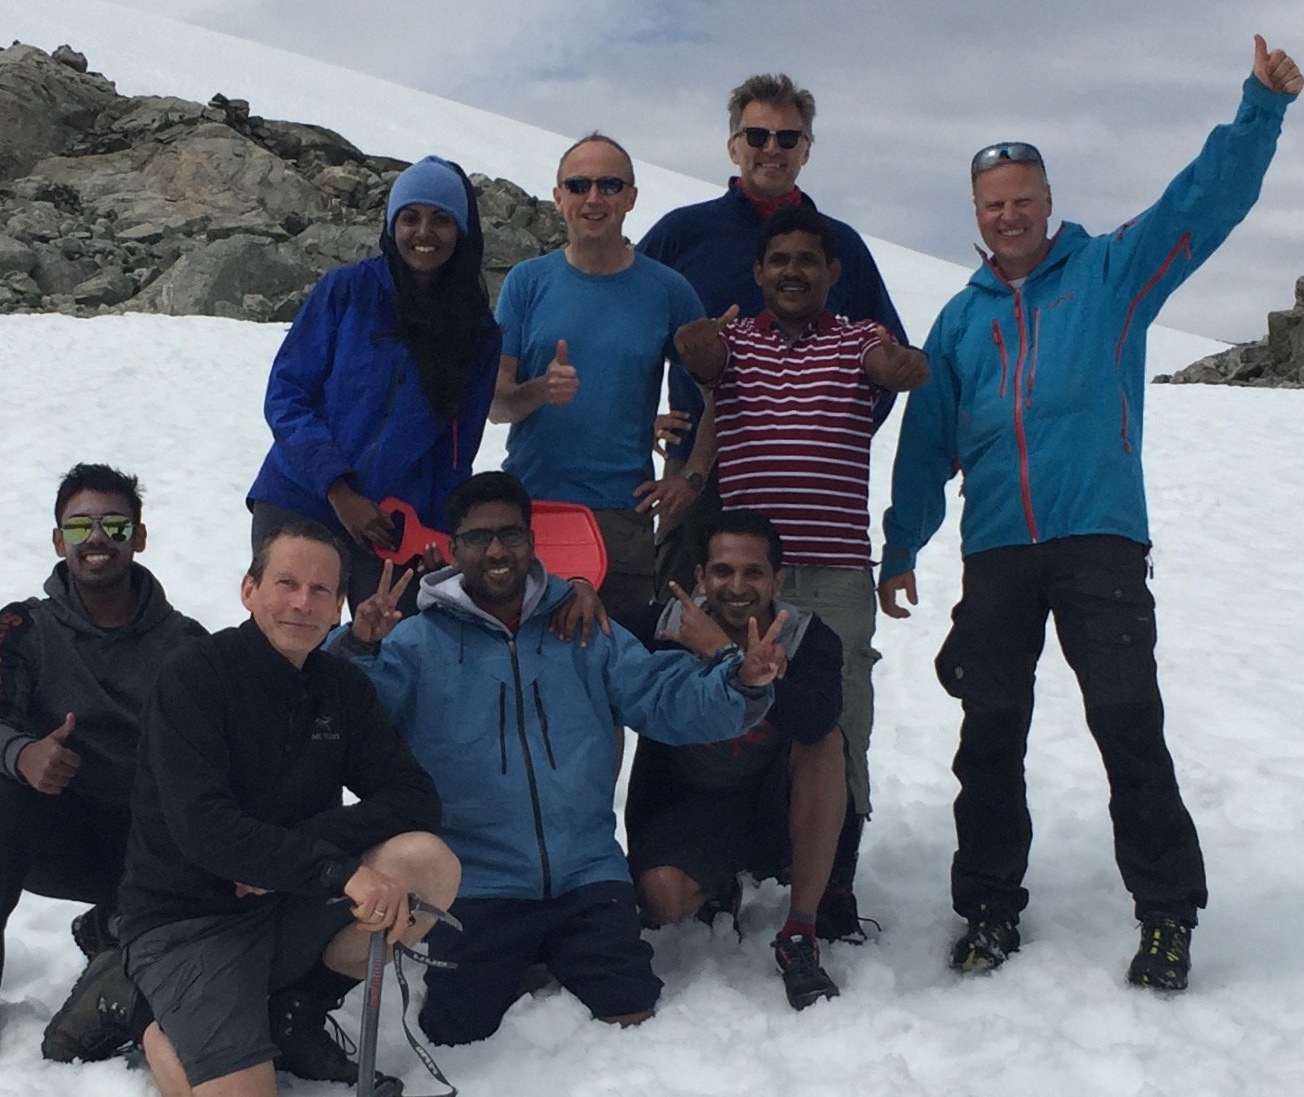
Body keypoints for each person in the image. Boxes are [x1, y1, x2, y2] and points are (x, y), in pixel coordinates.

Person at [878, 36, 1304, 991]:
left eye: (1024, 199)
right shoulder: (959, 319)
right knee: (988, 733)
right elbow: (927, 438)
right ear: (978, 218)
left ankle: (1165, 914)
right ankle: (987, 906)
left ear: (1047, 203)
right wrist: (901, 539)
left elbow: (1203, 202)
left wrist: (1259, 109)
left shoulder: (1110, 273)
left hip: (1098, 541)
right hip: (996, 550)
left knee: (1124, 719)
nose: (1011, 215)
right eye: (994, 205)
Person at [41, 522, 458, 1097]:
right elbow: (204, 828)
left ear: (338, 605)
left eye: (321, 591)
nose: (302, 602)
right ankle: (137, 1006)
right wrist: (335, 869)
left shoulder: (340, 688)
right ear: (248, 589)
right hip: (189, 920)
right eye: (286, 583)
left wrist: (303, 850)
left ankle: (293, 1011)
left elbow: (415, 796)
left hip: (285, 897)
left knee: (425, 864)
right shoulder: (194, 678)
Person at [333, 471, 787, 1045]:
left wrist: (739, 683)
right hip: (476, 883)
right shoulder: (418, 642)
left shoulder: (585, 630)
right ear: (454, 548)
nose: (496, 550)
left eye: (511, 534)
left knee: (631, 1022)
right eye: (477, 538)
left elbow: (665, 698)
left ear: (531, 540)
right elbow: (349, 720)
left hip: (585, 876)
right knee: (458, 1037)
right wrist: (358, 647)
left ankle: (552, 957)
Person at [674, 205, 929, 940]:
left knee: (841, 722)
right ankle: (723, 865)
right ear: (757, 273)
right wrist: (694, 345)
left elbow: (892, 369)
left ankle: (835, 880)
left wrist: (900, 366)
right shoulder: (736, 343)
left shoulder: (858, 340)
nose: (791, 271)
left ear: (832, 273)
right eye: (777, 260)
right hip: (744, 579)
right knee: (733, 712)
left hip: (834, 573)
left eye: (806, 261)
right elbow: (704, 361)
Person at [0, 464, 205, 1053]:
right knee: (6, 798)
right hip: (59, 830)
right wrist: (24, 752)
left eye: (114, 524)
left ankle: (113, 925)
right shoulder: (24, 625)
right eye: (80, 527)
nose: (97, 539)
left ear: (140, 535)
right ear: (59, 540)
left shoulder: (187, 643)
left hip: (155, 845)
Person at [637, 72, 914, 598]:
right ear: (733, 146)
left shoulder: (840, 246)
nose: (771, 149)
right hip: (699, 470)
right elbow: (627, 329)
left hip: (807, 486)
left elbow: (890, 358)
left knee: (806, 633)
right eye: (757, 136)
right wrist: (638, 417)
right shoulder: (683, 233)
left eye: (788, 138)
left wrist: (834, 437)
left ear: (806, 150)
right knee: (682, 619)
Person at [247, 154, 500, 610]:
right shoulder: (345, 292)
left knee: (385, 650)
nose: (424, 233)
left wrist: (439, 531)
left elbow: (457, 448)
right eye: (410, 217)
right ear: (391, 224)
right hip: (299, 498)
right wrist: (338, 490)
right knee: (288, 638)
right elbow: (288, 395)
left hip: (394, 525)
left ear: (461, 230)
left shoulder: (476, 330)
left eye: (442, 219)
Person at [622, 510, 849, 1010]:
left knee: (828, 742)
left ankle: (800, 930)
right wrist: (578, 588)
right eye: (722, 571)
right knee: (661, 901)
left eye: (754, 572)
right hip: (690, 803)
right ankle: (715, 885)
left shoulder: (807, 636)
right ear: (700, 576)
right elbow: (576, 646)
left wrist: (726, 655)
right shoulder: (657, 627)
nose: (737, 585)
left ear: (778, 579)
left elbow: (816, 722)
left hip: (776, 803)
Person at [490, 134, 705, 617]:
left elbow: (721, 392)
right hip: (532, 509)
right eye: (579, 184)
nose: (593, 198)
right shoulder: (527, 282)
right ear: (558, 197)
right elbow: (496, 405)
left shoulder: (668, 291)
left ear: (630, 198)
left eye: (609, 185)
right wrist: (540, 391)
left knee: (615, 676)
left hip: (619, 519)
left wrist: (691, 477)